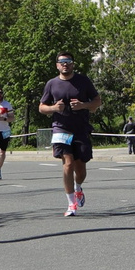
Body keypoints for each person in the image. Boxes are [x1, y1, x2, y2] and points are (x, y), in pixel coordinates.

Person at [38, 53, 98, 217]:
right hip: (60, 128)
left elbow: (97, 101)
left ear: (73, 64)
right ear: (57, 65)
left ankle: (78, 187)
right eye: (62, 62)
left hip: (81, 129)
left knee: (81, 171)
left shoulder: (83, 81)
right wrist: (53, 109)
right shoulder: (52, 84)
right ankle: (71, 205)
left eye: (68, 62)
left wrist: (83, 105)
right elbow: (42, 107)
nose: (65, 65)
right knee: (68, 164)